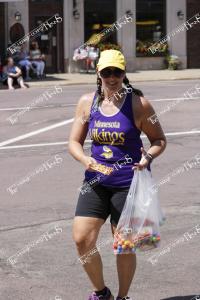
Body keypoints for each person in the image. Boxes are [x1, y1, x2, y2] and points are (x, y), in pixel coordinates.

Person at [69, 50, 167, 300]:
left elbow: (159, 140)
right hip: (95, 181)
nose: (112, 77)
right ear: (98, 73)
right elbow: (73, 142)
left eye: (117, 72)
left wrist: (147, 158)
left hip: (127, 184)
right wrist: (85, 159)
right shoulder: (86, 102)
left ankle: (123, 297)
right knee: (82, 240)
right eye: (106, 72)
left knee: (123, 247)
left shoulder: (139, 104)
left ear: (124, 73)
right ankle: (102, 293)